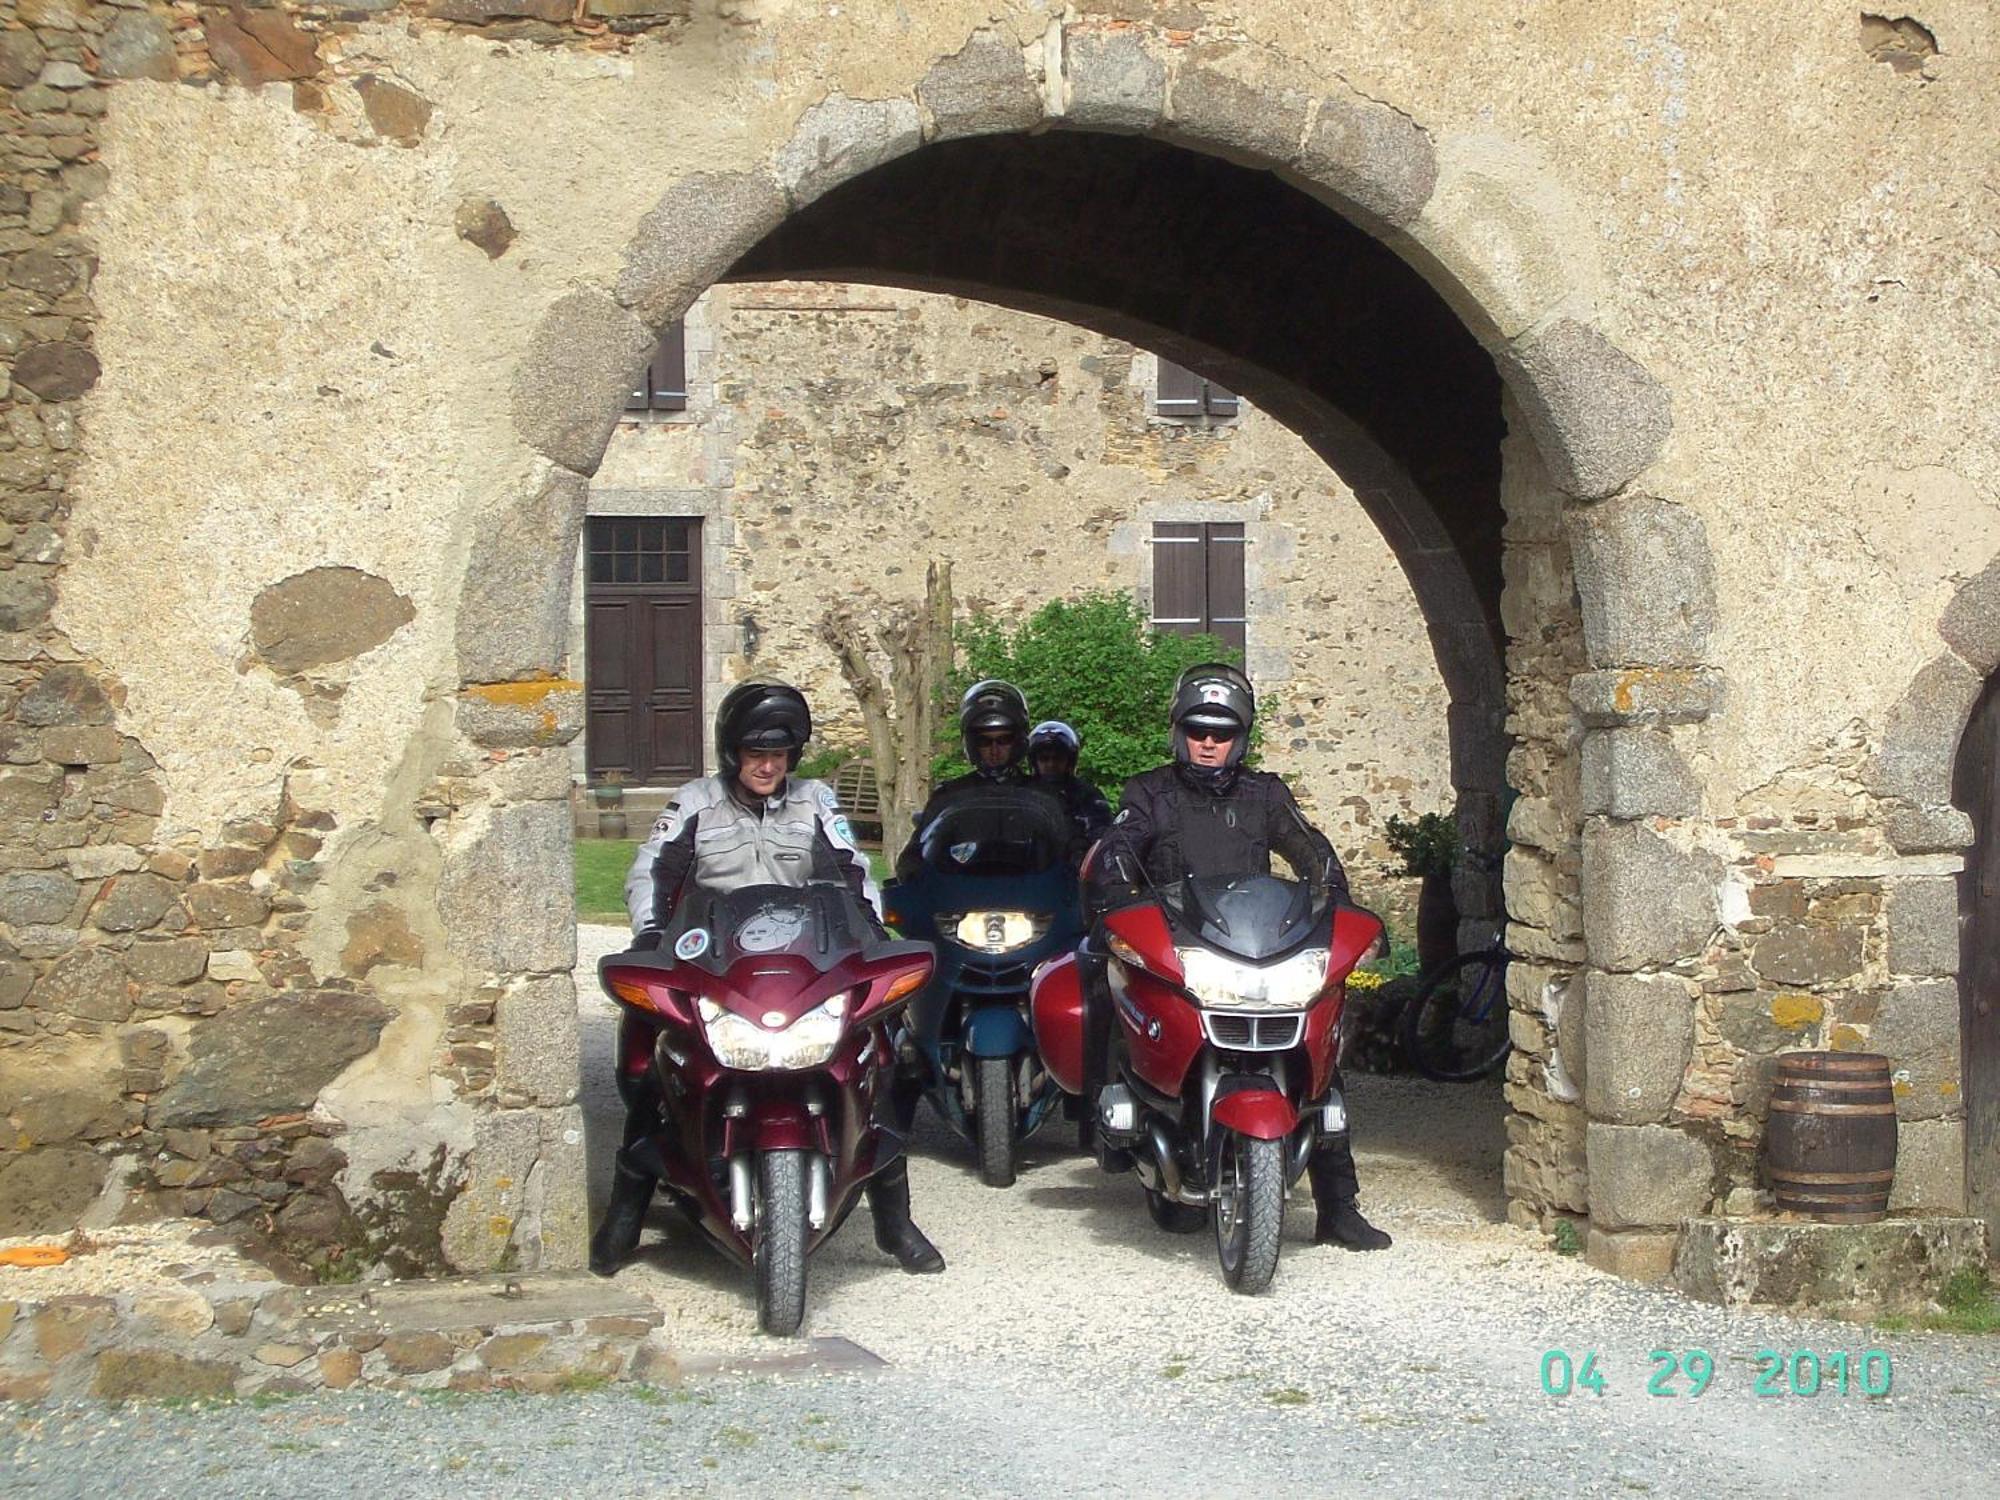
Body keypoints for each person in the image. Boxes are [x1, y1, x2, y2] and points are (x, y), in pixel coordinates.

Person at [591, 679, 946, 1278]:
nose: (767, 765)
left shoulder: (814, 802)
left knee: (877, 1055)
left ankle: (894, 1222)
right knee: (658, 1062)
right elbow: (651, 871)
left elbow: (851, 870)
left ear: (794, 757)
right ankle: (624, 1219)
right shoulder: (694, 803)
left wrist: (871, 937)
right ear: (732, 753)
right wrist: (651, 939)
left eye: (779, 754)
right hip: (711, 958)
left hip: (804, 959)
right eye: (756, 753)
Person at [1083, 662, 1393, 1252]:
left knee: (1320, 1053)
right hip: (1181, 945)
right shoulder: (1148, 792)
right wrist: (1112, 892)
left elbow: (1311, 849)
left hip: (1256, 944)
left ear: (1240, 737)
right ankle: (1106, 1126)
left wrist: (1334, 897)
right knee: (1106, 987)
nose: (1208, 742)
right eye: (1198, 729)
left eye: (1221, 732)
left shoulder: (1265, 795)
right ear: (1178, 731)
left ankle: (1338, 1206)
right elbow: (1120, 846)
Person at [1025, 720, 1112, 843]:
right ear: (1034, 762)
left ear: (1070, 761)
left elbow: (1102, 834)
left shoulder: (1087, 795)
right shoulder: (1023, 792)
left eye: (1058, 758)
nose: (1051, 764)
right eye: (1044, 758)